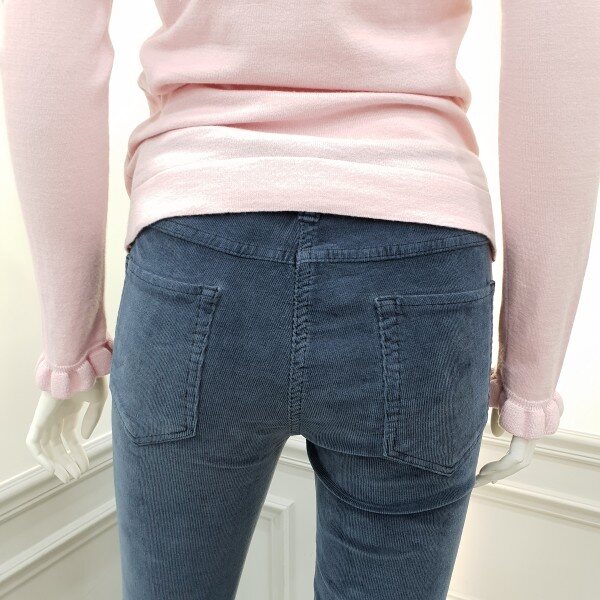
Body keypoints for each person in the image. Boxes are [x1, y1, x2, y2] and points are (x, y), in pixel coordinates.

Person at [1, 1, 598, 599]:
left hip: (199, 250)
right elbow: (562, 54)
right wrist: (531, 375)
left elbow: (48, 36)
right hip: (418, 262)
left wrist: (70, 346)